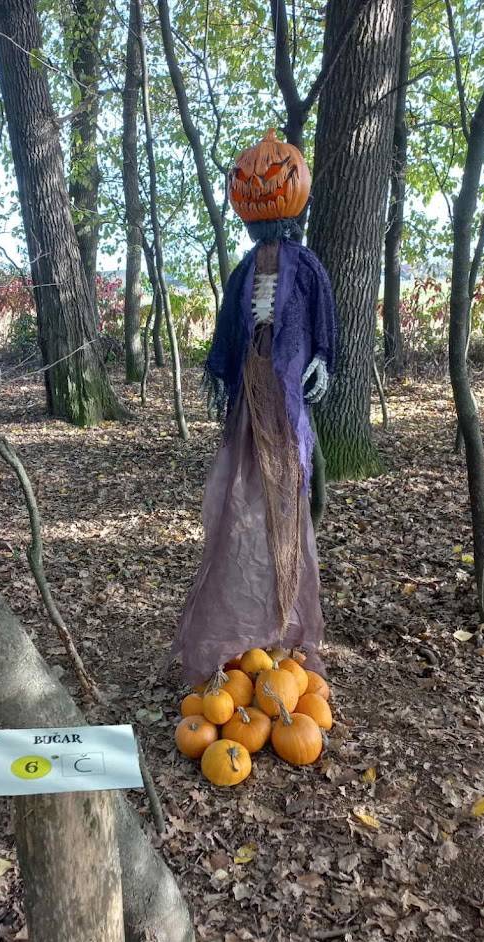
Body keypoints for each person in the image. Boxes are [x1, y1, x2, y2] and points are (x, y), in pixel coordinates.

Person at [169, 129, 337, 683]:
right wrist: (226, 374)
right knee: (245, 496)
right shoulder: (245, 269)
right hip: (250, 391)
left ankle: (284, 615)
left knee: (285, 498)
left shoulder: (305, 266)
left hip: (285, 395)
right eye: (249, 181)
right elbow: (230, 328)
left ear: (292, 189)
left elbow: (322, 320)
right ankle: (248, 621)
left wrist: (322, 359)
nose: (260, 188)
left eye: (272, 179)